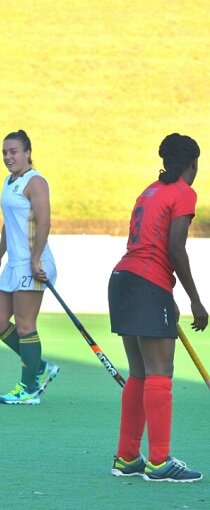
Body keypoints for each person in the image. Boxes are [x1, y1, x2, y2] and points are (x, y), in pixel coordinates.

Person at [109, 133, 207, 482]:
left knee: (140, 372)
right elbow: (175, 247)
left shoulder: (149, 191)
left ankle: (127, 457)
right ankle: (160, 461)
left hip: (123, 280)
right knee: (160, 372)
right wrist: (195, 300)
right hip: (148, 283)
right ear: (192, 164)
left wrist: (167, 296)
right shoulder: (184, 192)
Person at [0, 129, 60, 405]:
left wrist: (35, 258)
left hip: (34, 263)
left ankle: (28, 390)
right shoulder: (9, 182)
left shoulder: (36, 182)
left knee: (25, 326)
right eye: (5, 152)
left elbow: (44, 222)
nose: (8, 156)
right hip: (14, 264)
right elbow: (10, 222)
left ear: (28, 152)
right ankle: (39, 367)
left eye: (13, 151)